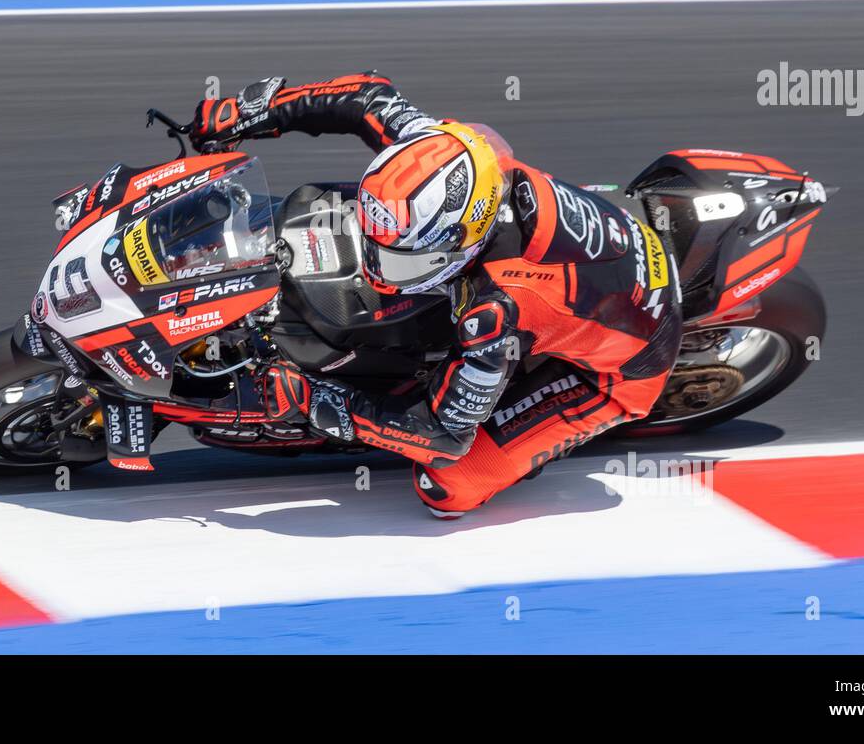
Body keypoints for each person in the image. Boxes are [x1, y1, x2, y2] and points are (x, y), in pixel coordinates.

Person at [190, 73, 682, 517]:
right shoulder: (445, 153)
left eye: (402, 259)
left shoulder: (494, 310)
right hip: (604, 258)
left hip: (626, 362)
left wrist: (315, 399)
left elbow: (444, 437)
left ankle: (533, 414)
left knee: (446, 487)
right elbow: (364, 95)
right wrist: (258, 111)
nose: (381, 271)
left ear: (465, 242)